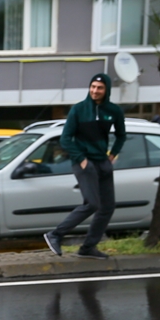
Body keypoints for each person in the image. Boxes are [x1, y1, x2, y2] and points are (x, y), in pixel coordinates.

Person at [43, 74, 127, 261]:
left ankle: (88, 247)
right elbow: (65, 138)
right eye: (93, 87)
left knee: (107, 207)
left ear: (107, 90)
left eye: (99, 88)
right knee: (92, 203)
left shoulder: (114, 111)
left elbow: (121, 135)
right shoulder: (78, 110)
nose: (95, 91)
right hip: (84, 162)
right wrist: (80, 159)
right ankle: (55, 234)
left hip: (103, 162)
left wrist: (112, 155)